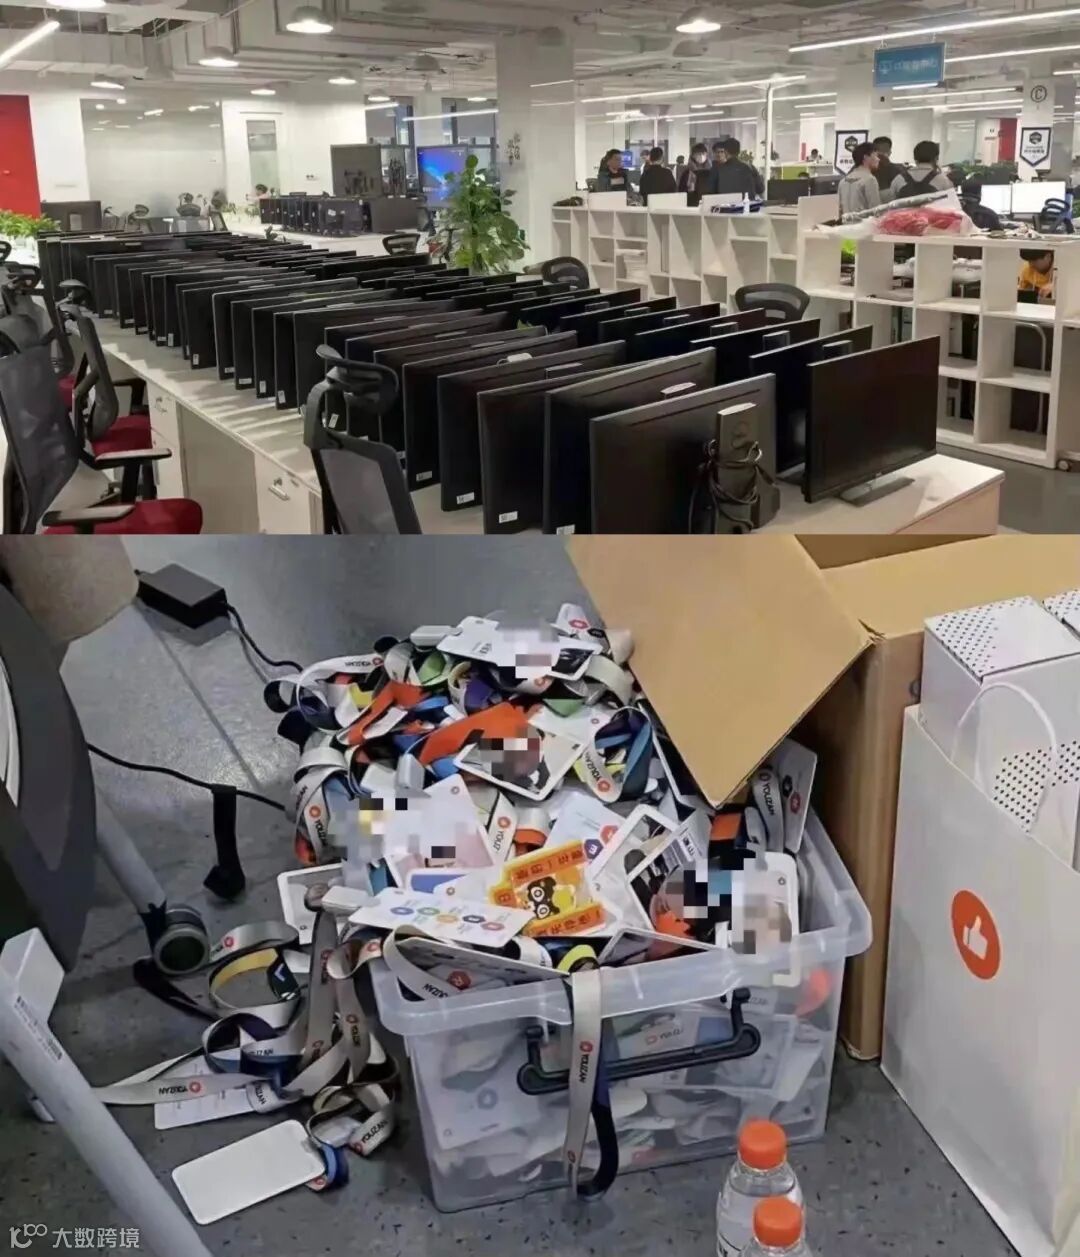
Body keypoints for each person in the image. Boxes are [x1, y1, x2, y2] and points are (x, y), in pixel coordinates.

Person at [838, 143, 881, 214]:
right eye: (876, 156)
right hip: (864, 221)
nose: (878, 159)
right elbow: (876, 211)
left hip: (846, 221)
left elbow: (840, 210)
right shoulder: (870, 180)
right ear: (866, 157)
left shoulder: (843, 181)